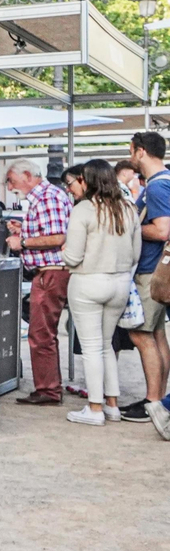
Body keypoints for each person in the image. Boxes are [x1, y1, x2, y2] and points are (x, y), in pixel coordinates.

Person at [61, 159, 141, 426]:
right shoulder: (127, 208)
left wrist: (64, 255)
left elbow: (72, 256)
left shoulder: (84, 209)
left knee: (92, 347)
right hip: (119, 283)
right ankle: (112, 404)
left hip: (87, 282)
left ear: (90, 180)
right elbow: (136, 253)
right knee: (106, 345)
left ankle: (94, 408)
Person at [5, 158, 73, 404]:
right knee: (43, 332)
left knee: (40, 333)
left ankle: (48, 390)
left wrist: (22, 242)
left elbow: (58, 236)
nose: (9, 185)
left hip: (51, 271)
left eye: (11, 180)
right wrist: (24, 231)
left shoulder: (46, 197)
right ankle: (49, 386)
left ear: (27, 175)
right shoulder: (48, 195)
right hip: (50, 270)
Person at [123, 131, 170, 437]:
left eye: (131, 151)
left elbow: (163, 230)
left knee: (141, 335)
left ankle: (154, 400)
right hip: (157, 270)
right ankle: (158, 398)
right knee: (156, 334)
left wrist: (133, 227)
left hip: (151, 271)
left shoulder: (156, 187)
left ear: (140, 152)